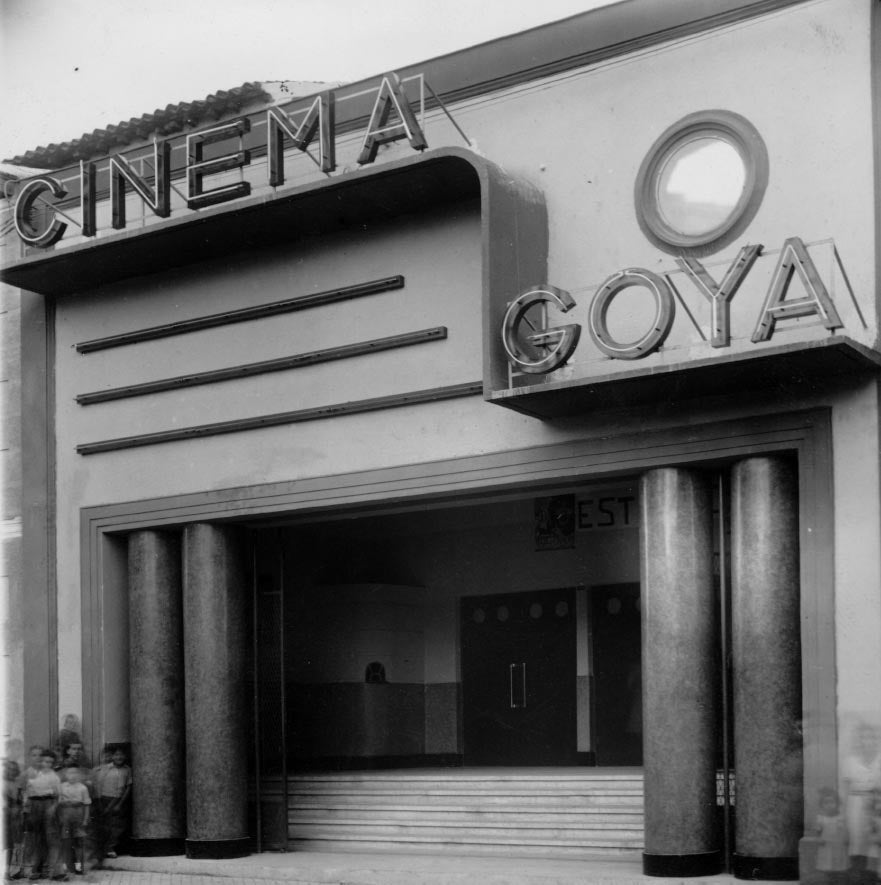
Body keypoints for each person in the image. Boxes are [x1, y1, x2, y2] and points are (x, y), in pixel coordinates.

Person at [843, 723, 881, 884]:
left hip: (877, 805)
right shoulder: (850, 761)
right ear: (858, 740)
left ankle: (875, 876)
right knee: (857, 839)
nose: (867, 741)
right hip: (856, 805)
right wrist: (843, 813)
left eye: (871, 737)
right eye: (863, 737)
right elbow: (845, 790)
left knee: (875, 841)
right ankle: (859, 876)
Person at [23, 750, 66, 881]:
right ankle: (37, 869)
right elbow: (26, 792)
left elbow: (59, 796)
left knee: (52, 839)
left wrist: (53, 808)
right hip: (34, 805)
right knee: (37, 839)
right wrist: (26, 808)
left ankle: (56, 871)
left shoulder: (54, 776)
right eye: (45, 761)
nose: (47, 764)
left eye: (50, 762)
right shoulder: (32, 774)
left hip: (49, 804)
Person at [92, 747, 131, 861]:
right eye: (116, 755)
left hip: (119, 801)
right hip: (104, 799)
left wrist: (120, 804)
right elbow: (98, 785)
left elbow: (128, 787)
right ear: (112, 757)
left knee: (117, 826)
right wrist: (99, 801)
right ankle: (100, 849)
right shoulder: (105, 769)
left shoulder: (127, 770)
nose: (119, 757)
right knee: (104, 825)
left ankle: (110, 848)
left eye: (121, 755)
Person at [57, 767, 90, 877]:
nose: (73, 775)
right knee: (66, 842)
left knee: (79, 843)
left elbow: (86, 804)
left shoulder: (83, 788)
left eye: (75, 773)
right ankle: (67, 866)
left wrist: (85, 820)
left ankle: (78, 867)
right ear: (66, 775)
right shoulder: (61, 787)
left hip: (78, 817)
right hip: (65, 817)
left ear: (79, 775)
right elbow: (58, 803)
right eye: (70, 773)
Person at [815, 787, 849, 884]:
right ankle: (829, 881)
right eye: (826, 803)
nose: (829, 805)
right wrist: (818, 839)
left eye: (832, 802)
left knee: (839, 867)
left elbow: (845, 830)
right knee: (827, 867)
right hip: (826, 846)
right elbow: (818, 832)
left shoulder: (841, 818)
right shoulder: (820, 818)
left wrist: (846, 838)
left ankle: (838, 881)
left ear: (837, 804)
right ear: (821, 805)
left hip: (838, 846)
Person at [3, 760, 23, 879]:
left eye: (14, 769)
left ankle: (6, 871)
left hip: (11, 818)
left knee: (9, 845)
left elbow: (19, 802)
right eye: (9, 769)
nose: (12, 771)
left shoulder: (17, 784)